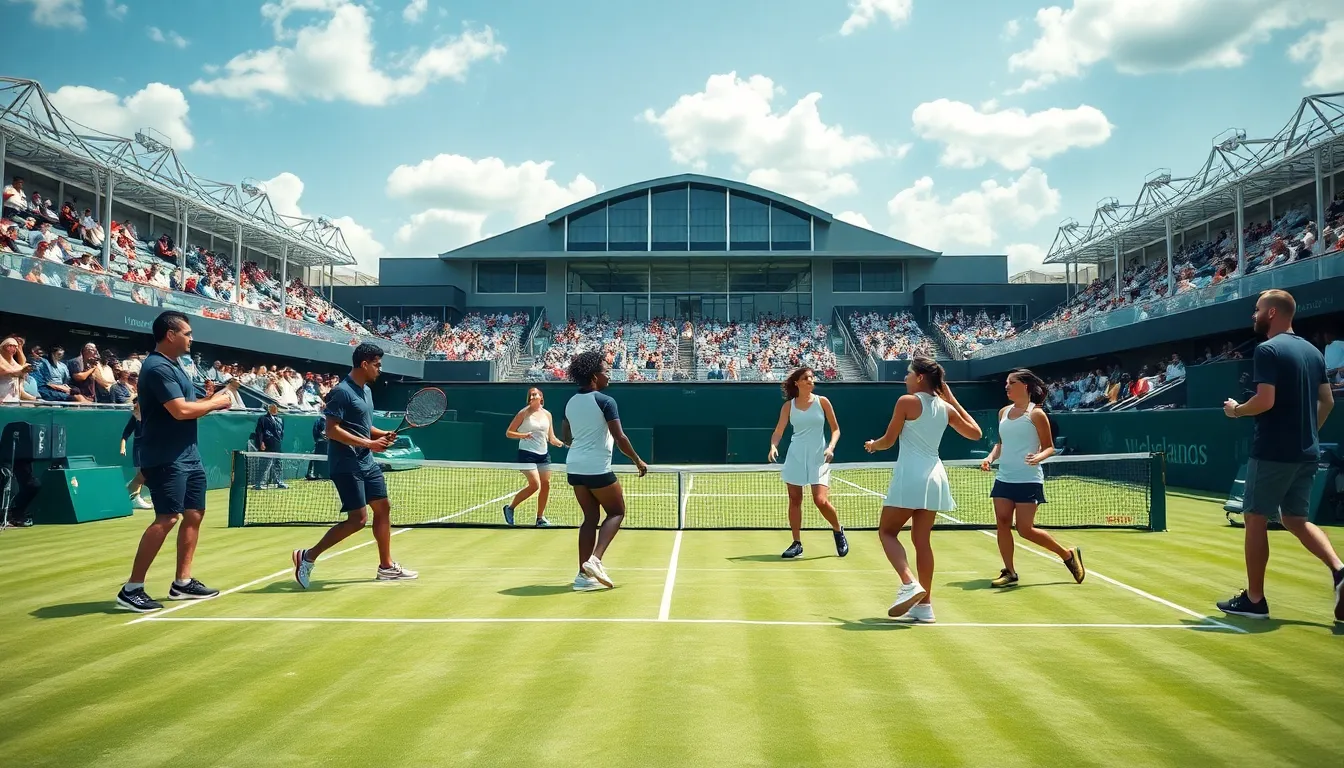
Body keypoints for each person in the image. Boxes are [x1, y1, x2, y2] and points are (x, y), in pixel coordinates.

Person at [1219, 289, 1342, 621]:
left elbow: (1265, 401)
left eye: (1257, 309)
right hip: (1307, 452)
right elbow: (1327, 402)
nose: (1253, 315)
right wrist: (1308, 433)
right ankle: (1340, 571)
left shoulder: (1268, 349)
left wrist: (1236, 410)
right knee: (1294, 519)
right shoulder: (1313, 353)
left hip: (1272, 450)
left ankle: (1255, 600)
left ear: (1272, 313)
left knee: (1255, 518)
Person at [116, 311, 240, 613]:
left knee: (194, 514)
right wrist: (218, 402)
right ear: (170, 335)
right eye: (187, 333)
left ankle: (181, 583)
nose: (191, 338)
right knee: (167, 518)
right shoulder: (157, 368)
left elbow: (190, 406)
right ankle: (131, 588)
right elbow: (180, 411)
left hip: (188, 454)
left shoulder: (176, 367)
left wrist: (212, 400)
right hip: (165, 457)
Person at [864, 356, 982, 624]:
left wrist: (872, 445)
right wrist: (950, 399)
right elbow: (975, 433)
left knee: (887, 532)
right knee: (921, 540)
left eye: (908, 374)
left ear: (919, 377)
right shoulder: (945, 407)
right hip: (936, 478)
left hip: (912, 476)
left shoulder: (906, 402)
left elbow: (888, 441)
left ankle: (909, 583)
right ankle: (925, 606)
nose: (904, 378)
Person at [292, 343, 417, 589]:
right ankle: (307, 557)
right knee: (358, 520)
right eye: (377, 365)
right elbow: (332, 430)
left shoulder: (366, 391)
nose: (380, 370)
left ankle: (386, 567)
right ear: (364, 364)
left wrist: (382, 434)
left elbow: (362, 425)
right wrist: (370, 444)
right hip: (346, 463)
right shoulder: (341, 392)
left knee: (383, 507)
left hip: (366, 461)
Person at [979, 369, 1086, 588]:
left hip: (1028, 479)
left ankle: (1067, 555)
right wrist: (990, 458)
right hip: (1004, 478)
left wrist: (1038, 457)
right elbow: (1000, 444)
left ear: (1025, 386)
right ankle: (1009, 571)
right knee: (1002, 523)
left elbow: (1049, 448)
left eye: (1012, 382)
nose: (1007, 386)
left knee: (1025, 529)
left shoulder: (1036, 414)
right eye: (1006, 383)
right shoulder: (1003, 413)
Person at [560, 350, 647, 591]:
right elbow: (619, 436)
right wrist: (637, 460)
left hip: (574, 466)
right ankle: (595, 561)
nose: (609, 375)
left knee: (590, 518)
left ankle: (582, 576)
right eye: (605, 371)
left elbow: (566, 436)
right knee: (617, 512)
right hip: (596, 467)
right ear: (594, 377)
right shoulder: (606, 401)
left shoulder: (570, 402)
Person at [767, 366, 848, 559]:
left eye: (812, 377)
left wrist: (831, 447)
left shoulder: (823, 402)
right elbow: (779, 431)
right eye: (806, 378)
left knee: (820, 500)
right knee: (795, 500)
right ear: (797, 383)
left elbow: (836, 430)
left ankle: (838, 530)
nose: (811, 380)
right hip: (795, 456)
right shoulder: (789, 406)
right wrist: (773, 446)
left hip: (818, 457)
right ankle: (797, 543)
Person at [503, 386, 565, 527]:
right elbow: (509, 432)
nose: (533, 397)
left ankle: (540, 518)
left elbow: (551, 437)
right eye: (531, 395)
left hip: (543, 454)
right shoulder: (523, 413)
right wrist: (523, 435)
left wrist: (561, 443)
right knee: (535, 485)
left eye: (535, 394)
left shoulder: (547, 414)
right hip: (527, 454)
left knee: (546, 484)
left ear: (541, 397)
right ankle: (510, 508)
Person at [120, 399, 152, 510]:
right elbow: (126, 433)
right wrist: (122, 447)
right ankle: (135, 498)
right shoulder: (135, 417)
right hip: (139, 449)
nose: (135, 404)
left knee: (146, 474)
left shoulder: (150, 415)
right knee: (141, 473)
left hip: (149, 448)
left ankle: (130, 491)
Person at [253, 403, 288, 490]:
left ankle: (279, 482)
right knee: (263, 464)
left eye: (275, 407)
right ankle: (258, 483)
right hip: (267, 445)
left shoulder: (281, 419)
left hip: (277, 445)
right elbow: (260, 432)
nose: (274, 409)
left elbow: (281, 432)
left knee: (278, 464)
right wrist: (261, 442)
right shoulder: (263, 419)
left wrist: (279, 440)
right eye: (272, 407)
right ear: (268, 409)